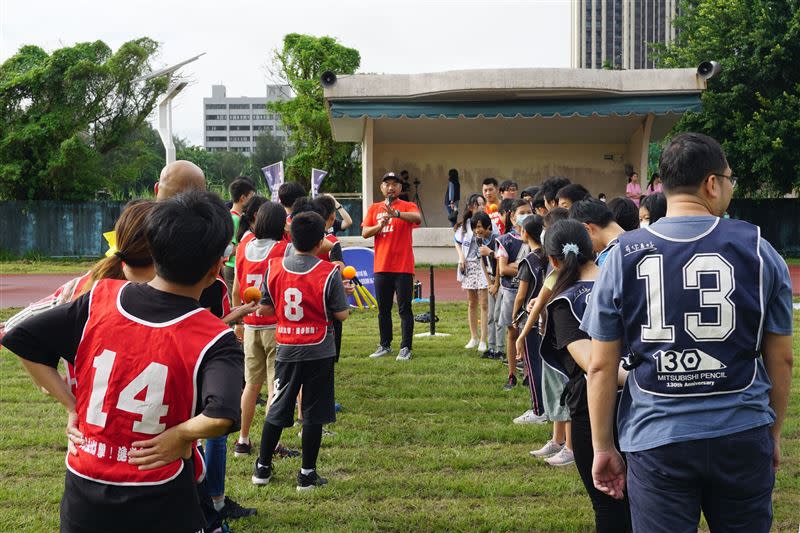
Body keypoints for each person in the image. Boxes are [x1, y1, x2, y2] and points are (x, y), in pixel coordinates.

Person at [584, 133, 793, 533]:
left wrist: (602, 446)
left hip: (657, 436)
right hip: (741, 431)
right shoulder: (760, 249)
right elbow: (781, 357)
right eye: (730, 178)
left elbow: (600, 367)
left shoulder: (621, 256)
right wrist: (774, 432)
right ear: (712, 183)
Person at [2, 191, 245, 533]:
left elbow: (19, 337)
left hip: (84, 494)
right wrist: (180, 434)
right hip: (160, 499)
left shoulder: (99, 299)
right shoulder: (213, 336)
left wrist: (71, 405)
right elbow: (221, 414)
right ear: (215, 269)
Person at [539, 219, 631, 532]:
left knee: (608, 503)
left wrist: (638, 380)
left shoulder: (566, 302)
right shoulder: (626, 284)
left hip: (596, 412)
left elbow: (595, 364)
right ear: (593, 248)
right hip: (644, 407)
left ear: (552, 261)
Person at [252, 212, 350, 490]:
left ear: (290, 237)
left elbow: (265, 308)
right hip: (319, 350)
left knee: (277, 407)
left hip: (286, 347)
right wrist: (347, 294)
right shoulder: (329, 271)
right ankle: (307, 474)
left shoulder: (273, 267)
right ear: (321, 241)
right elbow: (341, 314)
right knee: (313, 413)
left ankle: (262, 468)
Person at [232, 201, 290, 458]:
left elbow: (235, 288)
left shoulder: (243, 247)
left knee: (251, 385)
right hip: (275, 326)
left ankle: (243, 440)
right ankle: (271, 444)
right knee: (274, 387)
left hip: (250, 325)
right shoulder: (283, 249)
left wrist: (238, 321)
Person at [361, 172, 422, 361]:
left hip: (403, 267)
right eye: (387, 184)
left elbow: (417, 218)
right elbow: (364, 233)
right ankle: (384, 345)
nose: (391, 187)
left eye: (395, 184)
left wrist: (396, 214)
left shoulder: (407, 206)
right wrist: (379, 225)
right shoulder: (374, 208)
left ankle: (406, 348)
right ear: (381, 188)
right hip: (381, 266)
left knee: (405, 309)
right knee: (383, 310)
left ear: (400, 189)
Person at [510, 215, 548, 424]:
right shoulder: (548, 255)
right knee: (546, 364)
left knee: (532, 365)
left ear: (525, 233)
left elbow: (521, 295)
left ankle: (538, 409)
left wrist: (515, 317)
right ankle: (548, 406)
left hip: (530, 318)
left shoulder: (528, 261)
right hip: (547, 317)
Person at [495, 199, 533, 390]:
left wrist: (514, 266)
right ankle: (512, 373)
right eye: (522, 212)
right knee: (513, 332)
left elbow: (538, 265)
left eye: (529, 211)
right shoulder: (505, 240)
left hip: (531, 293)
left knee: (529, 333)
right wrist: (524, 267)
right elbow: (503, 269)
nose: (526, 215)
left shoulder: (536, 238)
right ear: (512, 216)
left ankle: (528, 373)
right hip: (511, 291)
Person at [454, 193, 488, 353]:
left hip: (483, 266)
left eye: (483, 204)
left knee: (484, 303)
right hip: (469, 266)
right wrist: (461, 258)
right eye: (479, 204)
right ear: (471, 206)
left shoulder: (488, 222)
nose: (482, 207)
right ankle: (474, 337)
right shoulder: (465, 225)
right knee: (471, 302)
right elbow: (457, 242)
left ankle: (483, 339)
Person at [223, 177, 257, 294]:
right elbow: (229, 249)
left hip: (237, 266)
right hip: (232, 267)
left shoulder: (237, 217)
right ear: (243, 198)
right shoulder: (234, 219)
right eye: (251, 196)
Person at [568, 198, 625, 266]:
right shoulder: (638, 238)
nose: (591, 250)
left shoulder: (606, 260)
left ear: (587, 229)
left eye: (582, 240)